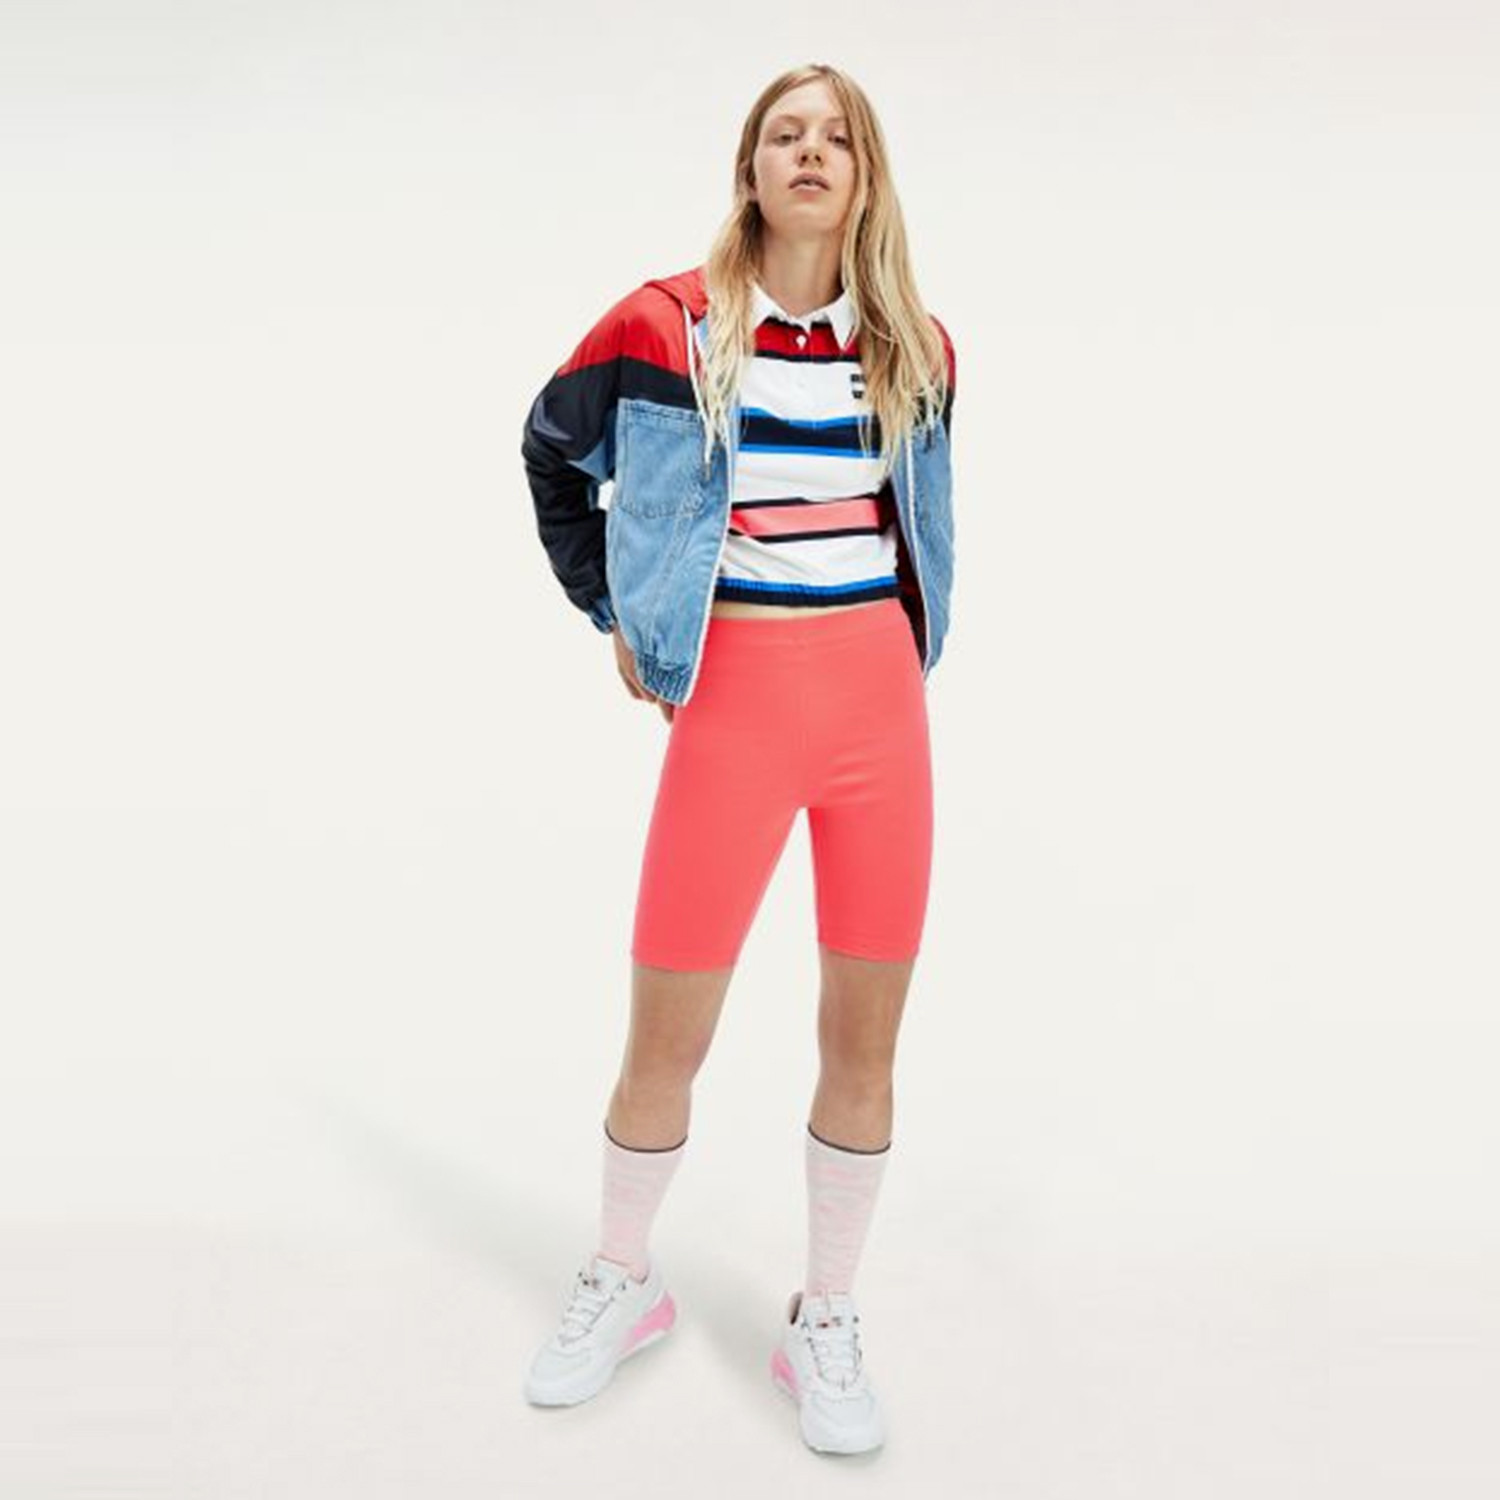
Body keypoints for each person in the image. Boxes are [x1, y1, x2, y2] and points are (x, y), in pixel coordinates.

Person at [517, 61, 956, 1456]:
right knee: (668, 1032)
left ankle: (825, 1314)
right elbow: (549, 450)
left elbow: (920, 528)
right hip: (734, 711)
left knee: (863, 1038)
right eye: (785, 134)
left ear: (865, 175)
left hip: (879, 714)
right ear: (750, 170)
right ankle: (623, 1277)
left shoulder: (920, 348)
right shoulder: (665, 326)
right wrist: (619, 608)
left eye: (837, 137)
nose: (810, 152)